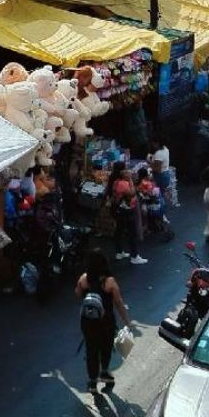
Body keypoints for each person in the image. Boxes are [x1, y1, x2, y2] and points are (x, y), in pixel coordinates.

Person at [75, 249, 134, 395]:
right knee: (105, 349)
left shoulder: (83, 279)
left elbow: (77, 293)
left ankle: (92, 381)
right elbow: (118, 302)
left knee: (91, 351)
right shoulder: (109, 282)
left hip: (87, 322)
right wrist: (127, 321)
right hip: (105, 322)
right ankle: (105, 373)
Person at [108, 163, 147, 265]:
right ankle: (134, 256)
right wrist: (130, 180)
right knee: (132, 232)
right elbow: (132, 193)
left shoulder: (115, 181)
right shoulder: (122, 183)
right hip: (126, 211)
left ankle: (119, 252)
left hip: (118, 210)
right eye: (126, 170)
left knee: (119, 230)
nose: (128, 171)